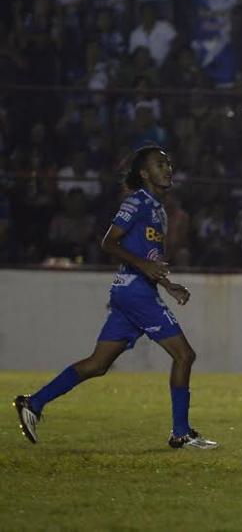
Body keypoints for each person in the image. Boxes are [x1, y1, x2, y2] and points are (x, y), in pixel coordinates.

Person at [13, 147, 218, 449]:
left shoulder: (158, 209)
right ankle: (181, 432)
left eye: (169, 163)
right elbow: (108, 242)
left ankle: (34, 403)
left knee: (98, 364)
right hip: (135, 292)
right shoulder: (136, 202)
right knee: (184, 356)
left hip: (135, 290)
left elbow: (145, 257)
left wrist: (167, 284)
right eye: (160, 164)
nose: (168, 168)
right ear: (145, 174)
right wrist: (147, 268)